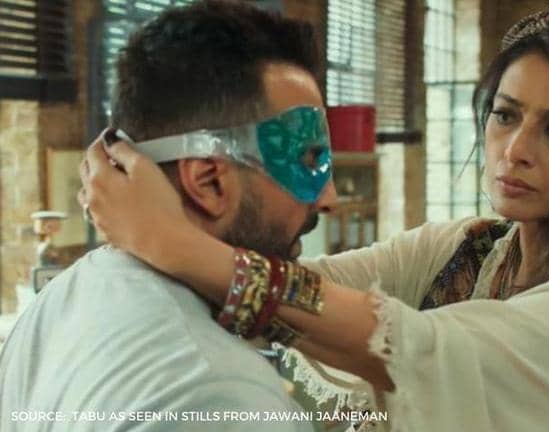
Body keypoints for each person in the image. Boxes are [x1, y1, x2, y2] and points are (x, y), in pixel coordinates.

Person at [79, 5, 549, 432]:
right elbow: (311, 289)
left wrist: (169, 240)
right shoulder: (467, 249)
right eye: (505, 115)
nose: (515, 150)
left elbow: (418, 348)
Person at [0, 2, 334, 431]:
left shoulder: (59, 303)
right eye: (310, 161)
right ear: (209, 182)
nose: (328, 198)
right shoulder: (222, 395)